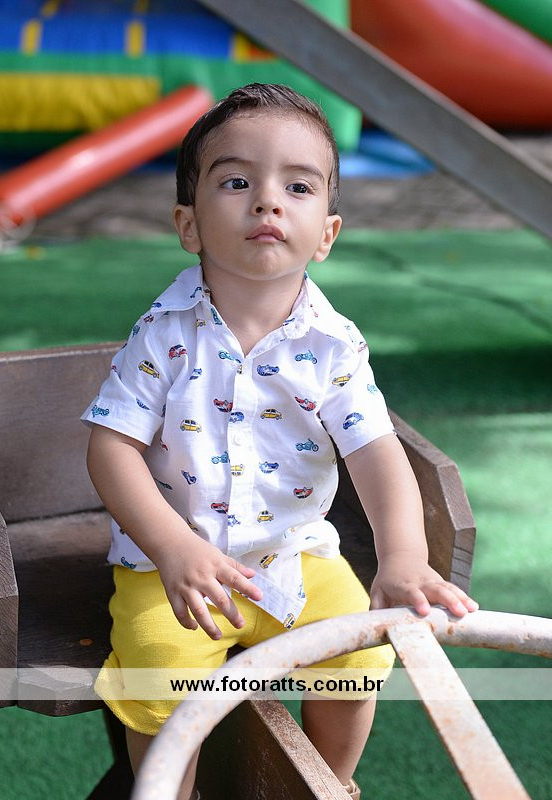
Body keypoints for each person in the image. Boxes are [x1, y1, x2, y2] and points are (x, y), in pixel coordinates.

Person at [83, 83, 478, 800]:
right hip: (174, 564)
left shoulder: (333, 346)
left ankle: (330, 784)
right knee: (158, 665)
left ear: (326, 233)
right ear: (189, 225)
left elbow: (376, 452)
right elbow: (112, 449)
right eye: (236, 181)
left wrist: (402, 556)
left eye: (297, 187)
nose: (268, 201)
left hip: (292, 557)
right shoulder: (163, 335)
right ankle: (168, 792)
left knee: (357, 653)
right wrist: (172, 548)